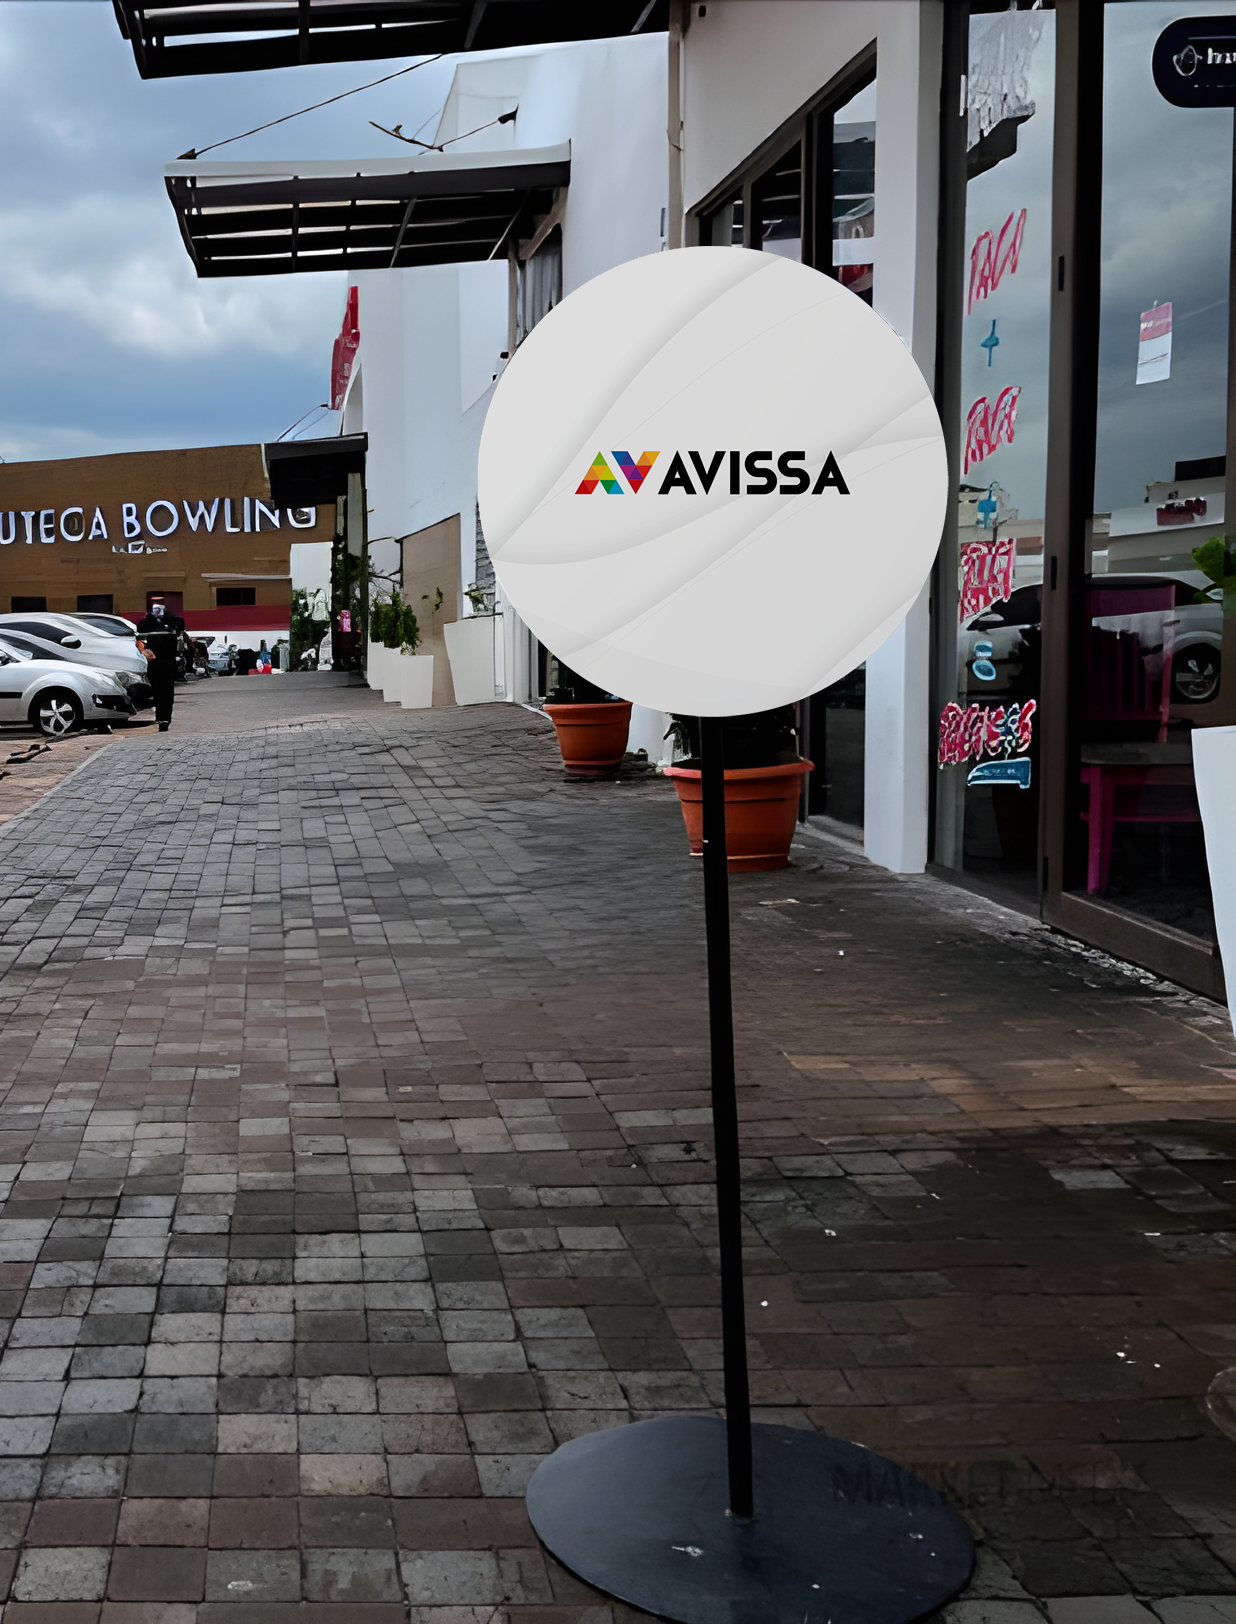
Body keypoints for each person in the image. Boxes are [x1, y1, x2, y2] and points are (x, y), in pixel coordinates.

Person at [135, 596, 185, 732]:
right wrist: (150, 618)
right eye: (155, 604)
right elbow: (140, 637)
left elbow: (180, 634)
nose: (157, 607)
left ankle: (165, 719)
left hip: (168, 660)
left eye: (160, 604)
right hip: (152, 661)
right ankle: (160, 717)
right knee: (156, 690)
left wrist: (167, 618)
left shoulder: (173, 621)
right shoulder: (146, 623)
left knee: (167, 691)